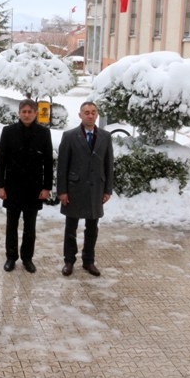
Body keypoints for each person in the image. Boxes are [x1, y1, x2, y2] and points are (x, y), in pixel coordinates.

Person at [56, 101, 114, 277]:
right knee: (71, 227)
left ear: (97, 115)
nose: (90, 115)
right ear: (80, 115)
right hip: (74, 189)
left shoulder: (105, 136)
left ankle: (89, 261)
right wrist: (62, 191)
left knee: (92, 227)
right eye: (86, 112)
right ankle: (69, 261)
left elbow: (108, 164)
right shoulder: (69, 136)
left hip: (96, 189)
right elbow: (62, 167)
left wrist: (108, 189)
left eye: (93, 112)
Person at [0, 99, 53, 274]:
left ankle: (27, 258)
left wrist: (46, 187)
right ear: (19, 113)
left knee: (30, 226)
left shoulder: (44, 133)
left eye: (30, 112)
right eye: (24, 111)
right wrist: (0, 185)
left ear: (35, 113)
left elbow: (48, 162)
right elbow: (1, 161)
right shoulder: (8, 131)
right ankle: (11, 257)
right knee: (11, 224)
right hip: (12, 186)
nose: (27, 115)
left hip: (34, 187)